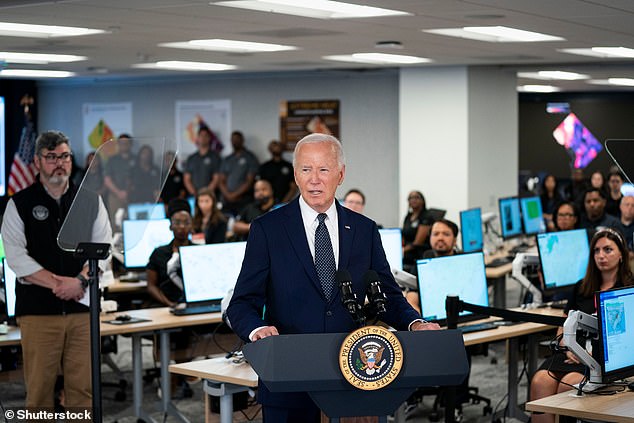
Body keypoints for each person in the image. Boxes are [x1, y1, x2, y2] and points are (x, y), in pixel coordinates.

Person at [226, 133, 439, 422]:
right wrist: (257, 330)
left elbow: (386, 294)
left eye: (323, 169)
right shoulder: (268, 229)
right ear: (295, 176)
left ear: (340, 174)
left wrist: (415, 322)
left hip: (354, 377)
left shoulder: (364, 230)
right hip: (289, 380)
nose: (314, 179)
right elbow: (241, 304)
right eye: (306, 169)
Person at [1, 130, 112, 409]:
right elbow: (16, 257)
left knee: (83, 394)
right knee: (39, 396)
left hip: (82, 311)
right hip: (38, 313)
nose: (59, 163)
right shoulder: (19, 204)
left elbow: (104, 250)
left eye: (64, 156)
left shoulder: (90, 200)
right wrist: (58, 284)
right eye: (51, 157)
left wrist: (79, 282)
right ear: (37, 162)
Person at [529, 228, 633, 423]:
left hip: (602, 359)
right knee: (540, 381)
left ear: (621, 254)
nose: (601, 255)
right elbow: (563, 324)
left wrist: (588, 356)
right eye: (596, 250)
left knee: (568, 385)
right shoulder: (582, 286)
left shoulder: (629, 288)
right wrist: (568, 347)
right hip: (571, 354)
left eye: (608, 250)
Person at [146, 199, 193, 307]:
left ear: (191, 226)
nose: (182, 227)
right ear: (170, 226)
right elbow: (151, 286)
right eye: (177, 223)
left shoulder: (198, 251)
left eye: (186, 223)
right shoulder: (159, 253)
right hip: (166, 305)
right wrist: (169, 304)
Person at [406, 218, 460, 313]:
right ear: (430, 238)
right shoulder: (422, 264)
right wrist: (421, 321)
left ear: (455, 240)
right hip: (431, 320)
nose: (440, 238)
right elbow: (411, 299)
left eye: (446, 234)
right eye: (435, 234)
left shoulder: (464, 263)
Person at [218, 130, 259, 216]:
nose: (235, 141)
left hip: (243, 199)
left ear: (242, 140)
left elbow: (249, 181)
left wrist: (234, 195)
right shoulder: (227, 159)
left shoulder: (250, 157)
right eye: (233, 139)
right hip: (226, 200)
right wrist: (228, 195)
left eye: (237, 139)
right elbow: (221, 180)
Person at [103, 133, 135, 225]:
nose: (124, 145)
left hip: (132, 196)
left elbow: (138, 178)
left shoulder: (136, 158)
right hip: (115, 196)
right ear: (118, 144)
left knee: (132, 221)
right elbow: (107, 179)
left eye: (126, 143)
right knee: (116, 222)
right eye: (121, 143)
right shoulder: (112, 160)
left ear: (131, 144)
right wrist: (119, 193)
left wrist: (127, 192)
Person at [183, 126, 222, 197]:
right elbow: (187, 179)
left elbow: (216, 178)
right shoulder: (191, 158)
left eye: (205, 135)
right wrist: (194, 193)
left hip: (210, 196)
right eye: (201, 135)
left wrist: (206, 193)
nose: (203, 138)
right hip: (194, 196)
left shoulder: (215, 157)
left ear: (209, 138)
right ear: (197, 138)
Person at [401, 190, 434, 273]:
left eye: (416, 197)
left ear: (422, 201)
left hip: (419, 252)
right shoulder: (408, 217)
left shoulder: (426, 216)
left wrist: (403, 250)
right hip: (407, 251)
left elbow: (418, 242)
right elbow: (403, 234)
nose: (413, 200)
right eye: (410, 198)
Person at [257, 140, 297, 204]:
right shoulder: (264, 167)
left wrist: (282, 204)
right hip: (267, 203)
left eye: (278, 145)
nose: (276, 147)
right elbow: (261, 187)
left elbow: (293, 188)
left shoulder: (289, 166)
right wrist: (268, 203)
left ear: (282, 148)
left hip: (285, 202)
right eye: (274, 145)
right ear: (269, 149)